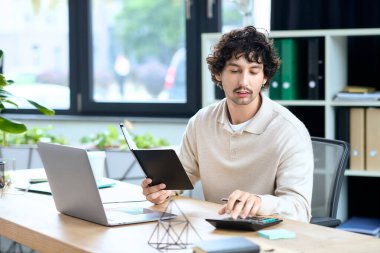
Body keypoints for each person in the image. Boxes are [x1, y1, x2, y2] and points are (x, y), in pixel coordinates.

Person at [141, 26, 313, 222]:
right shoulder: (201, 122)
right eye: (234, 70)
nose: (244, 82)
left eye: (254, 71)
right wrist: (162, 190)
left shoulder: (289, 130)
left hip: (271, 236)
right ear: (218, 74)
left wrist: (259, 202)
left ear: (264, 77)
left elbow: (300, 210)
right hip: (216, 232)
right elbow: (183, 176)